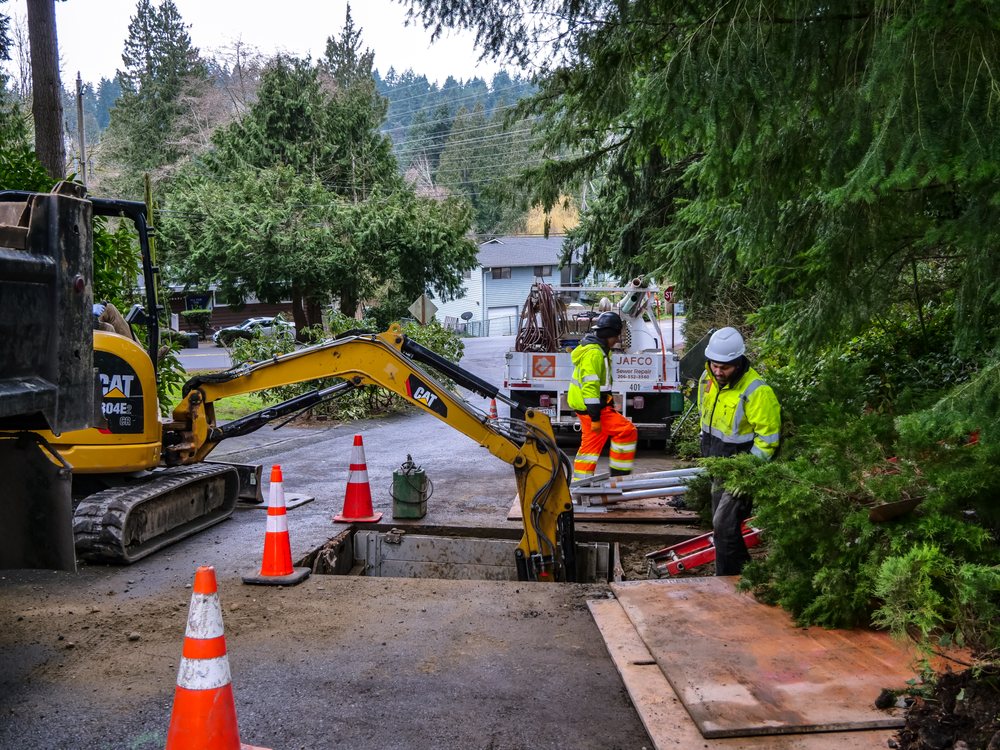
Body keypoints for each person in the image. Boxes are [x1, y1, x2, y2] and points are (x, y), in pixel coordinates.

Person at [698, 326, 781, 575]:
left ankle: (737, 578)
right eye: (715, 365)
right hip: (717, 466)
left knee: (723, 525)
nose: (718, 372)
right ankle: (731, 578)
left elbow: (768, 439)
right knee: (721, 528)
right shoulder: (707, 380)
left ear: (738, 362)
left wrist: (747, 473)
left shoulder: (757, 391)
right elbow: (706, 417)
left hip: (741, 471)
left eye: (725, 368)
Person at [566, 311, 638, 481]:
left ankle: (580, 483)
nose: (617, 340)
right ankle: (619, 478)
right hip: (593, 409)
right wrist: (596, 418)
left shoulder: (598, 350)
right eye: (616, 336)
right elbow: (590, 387)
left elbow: (600, 386)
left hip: (587, 408)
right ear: (608, 334)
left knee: (590, 447)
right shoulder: (595, 353)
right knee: (627, 432)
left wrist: (608, 402)